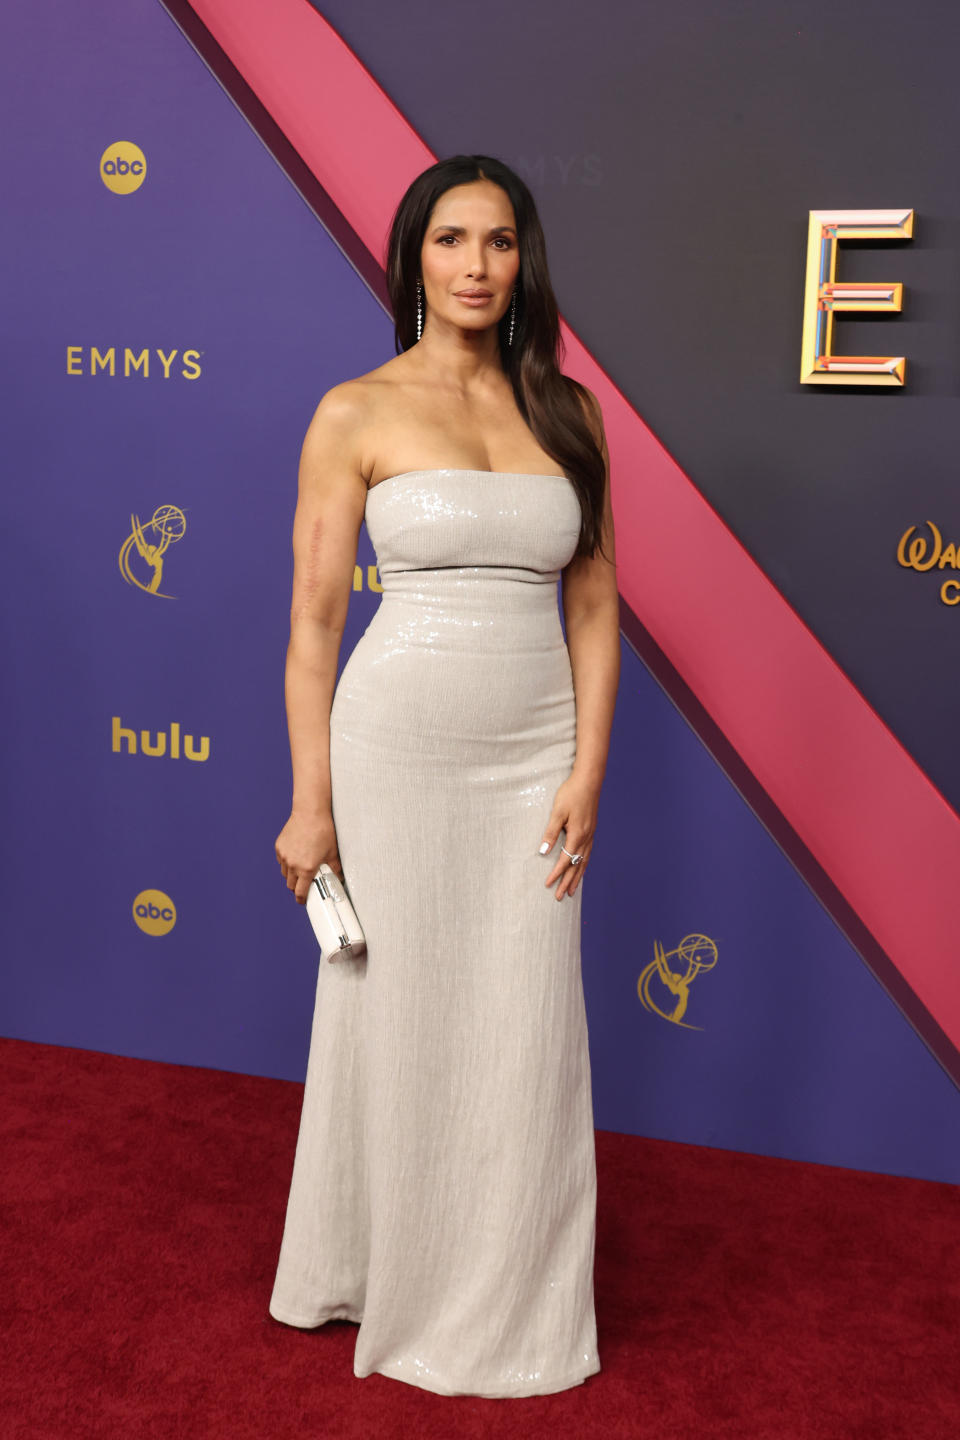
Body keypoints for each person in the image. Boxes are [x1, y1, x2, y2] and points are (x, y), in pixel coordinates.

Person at [268, 154, 620, 1398]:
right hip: (395, 749)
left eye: (502, 242)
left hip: (532, 759)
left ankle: (507, 1287)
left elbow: (594, 611)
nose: (477, 266)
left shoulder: (568, 415)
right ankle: (372, 1264)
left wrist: (588, 768)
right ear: (413, 257)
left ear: (526, 261)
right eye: (453, 240)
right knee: (392, 1011)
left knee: (524, 1025)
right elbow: (315, 623)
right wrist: (312, 802)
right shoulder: (354, 410)